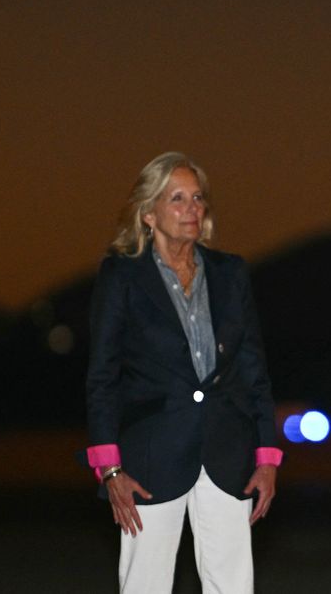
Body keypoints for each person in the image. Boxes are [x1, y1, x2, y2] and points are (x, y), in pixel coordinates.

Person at [84, 152, 282, 593]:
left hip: (228, 451)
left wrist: (267, 456)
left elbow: (254, 369)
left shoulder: (230, 273)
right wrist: (110, 470)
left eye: (197, 197)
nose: (191, 208)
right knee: (145, 584)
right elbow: (102, 378)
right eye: (177, 198)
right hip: (149, 458)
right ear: (149, 213)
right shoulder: (122, 277)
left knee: (232, 584)